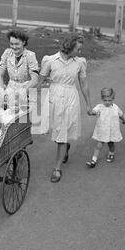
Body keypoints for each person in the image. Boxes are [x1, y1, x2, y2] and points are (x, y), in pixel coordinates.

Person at [38, 33, 92, 183]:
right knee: (56, 131)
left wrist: (88, 104)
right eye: (78, 49)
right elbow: (40, 81)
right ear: (69, 47)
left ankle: (57, 169)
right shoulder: (50, 60)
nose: (79, 52)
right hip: (53, 97)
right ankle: (65, 146)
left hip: (70, 98)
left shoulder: (80, 62)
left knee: (62, 134)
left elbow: (84, 84)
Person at [0, 29, 39, 109]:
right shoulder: (7, 53)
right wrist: (2, 91)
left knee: (22, 118)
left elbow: (35, 79)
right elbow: (0, 75)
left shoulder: (30, 56)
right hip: (10, 89)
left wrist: (22, 92)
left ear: (23, 42)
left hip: (26, 91)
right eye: (11, 44)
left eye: (17, 44)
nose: (14, 47)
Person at [86, 88, 125, 168]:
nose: (107, 102)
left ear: (113, 99)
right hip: (102, 130)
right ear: (102, 99)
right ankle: (93, 160)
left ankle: (111, 153)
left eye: (109, 100)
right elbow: (94, 111)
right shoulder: (100, 107)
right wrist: (91, 112)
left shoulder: (115, 107)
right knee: (98, 145)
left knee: (111, 144)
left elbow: (121, 115)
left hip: (112, 130)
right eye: (105, 100)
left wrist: (124, 120)